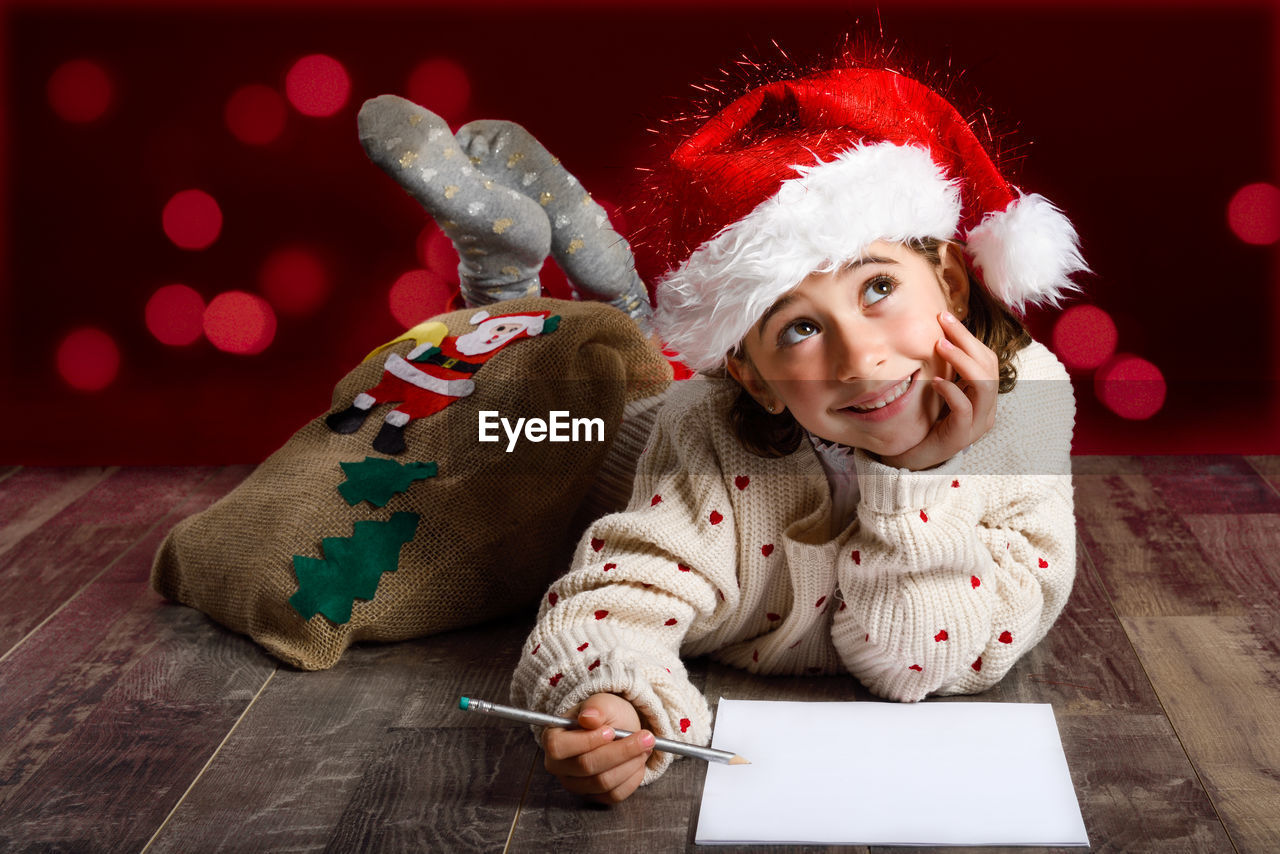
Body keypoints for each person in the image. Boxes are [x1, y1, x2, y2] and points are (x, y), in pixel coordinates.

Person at [509, 58, 1088, 803]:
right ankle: (515, 281)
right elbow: (616, 596)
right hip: (594, 436)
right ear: (752, 376)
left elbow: (921, 663)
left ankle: (594, 275)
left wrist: (913, 476)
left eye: (878, 287)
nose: (860, 360)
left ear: (947, 279)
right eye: (803, 328)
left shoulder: (1031, 398)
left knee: (620, 329)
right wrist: (611, 700)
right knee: (536, 386)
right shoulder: (707, 430)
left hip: (661, 391)